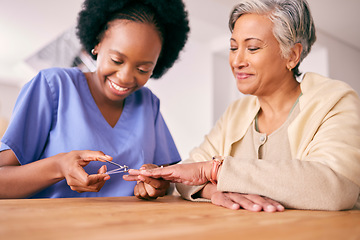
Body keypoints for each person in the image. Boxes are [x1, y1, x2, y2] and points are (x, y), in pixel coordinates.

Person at [127, 0, 360, 211]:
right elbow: (188, 173)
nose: (237, 61)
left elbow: (335, 188)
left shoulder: (334, 101)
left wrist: (215, 171)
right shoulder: (236, 113)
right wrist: (213, 189)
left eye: (253, 48)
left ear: (292, 55)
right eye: (233, 47)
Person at [0, 0, 190, 199]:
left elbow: (168, 182)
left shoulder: (148, 103)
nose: (125, 77)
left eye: (143, 69)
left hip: (133, 227)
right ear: (97, 44)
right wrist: (58, 166)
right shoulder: (52, 86)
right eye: (116, 60)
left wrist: (157, 185)